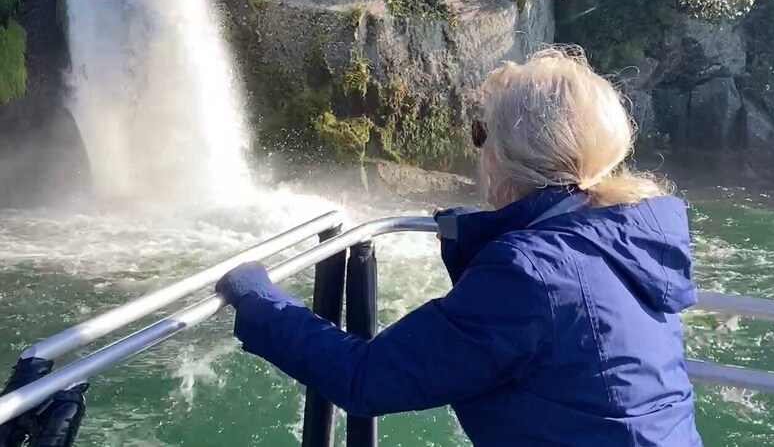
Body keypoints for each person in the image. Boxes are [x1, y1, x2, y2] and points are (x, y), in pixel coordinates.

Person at [216, 48, 703, 446]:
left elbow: (366, 379)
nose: (478, 148)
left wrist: (255, 295)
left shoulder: (528, 272)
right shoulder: (631, 235)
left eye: (481, 133)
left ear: (510, 154)